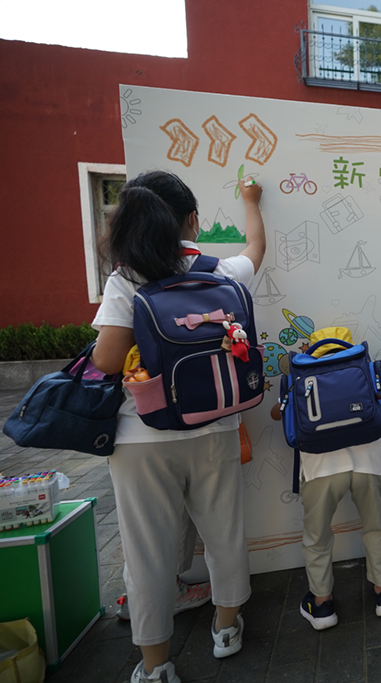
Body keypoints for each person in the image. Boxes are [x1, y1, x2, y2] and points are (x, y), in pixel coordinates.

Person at [91, 171, 265, 683]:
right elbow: (256, 248)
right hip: (216, 425)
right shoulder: (220, 271)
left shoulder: (126, 279)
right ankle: (226, 629)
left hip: (142, 436)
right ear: (191, 220)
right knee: (224, 532)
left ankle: (156, 665)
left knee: (148, 550)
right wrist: (251, 201)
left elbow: (107, 361)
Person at [271, 326, 381, 630]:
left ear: (311, 350)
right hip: (369, 461)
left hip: (320, 467)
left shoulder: (301, 374)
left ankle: (322, 606)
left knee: (317, 537)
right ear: (349, 346)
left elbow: (280, 415)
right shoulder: (365, 366)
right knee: (376, 527)